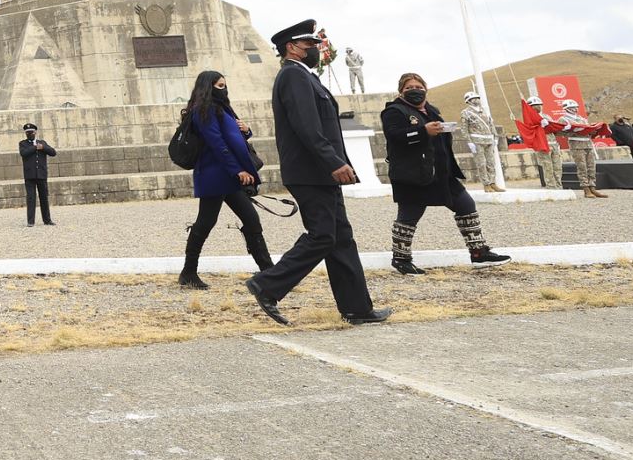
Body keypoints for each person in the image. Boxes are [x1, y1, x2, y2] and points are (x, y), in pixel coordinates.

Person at [243, 21, 388, 327]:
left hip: (321, 172)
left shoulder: (305, 77)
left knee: (341, 239)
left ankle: (357, 308)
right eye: (310, 46)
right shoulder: (293, 77)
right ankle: (267, 285)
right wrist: (334, 162)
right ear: (292, 48)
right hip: (311, 172)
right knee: (323, 235)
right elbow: (307, 128)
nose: (316, 50)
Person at [380, 74, 510, 275]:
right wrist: (423, 131)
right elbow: (395, 136)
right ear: (401, 91)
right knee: (409, 216)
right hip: (412, 174)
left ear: (426, 88)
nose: (415, 90)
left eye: (419, 86)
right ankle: (401, 259)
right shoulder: (393, 111)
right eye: (409, 87)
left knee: (466, 205)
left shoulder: (432, 110)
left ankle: (478, 252)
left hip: (442, 173)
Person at [176, 71, 270, 290]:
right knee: (205, 223)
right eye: (220, 85)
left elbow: (232, 137)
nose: (224, 89)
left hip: (227, 176)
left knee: (251, 219)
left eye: (225, 85)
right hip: (214, 175)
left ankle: (268, 272)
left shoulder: (222, 108)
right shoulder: (203, 111)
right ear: (209, 87)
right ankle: (188, 272)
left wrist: (248, 131)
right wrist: (238, 171)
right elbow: (217, 143)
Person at [556, 99, 608, 198]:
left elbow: (587, 129)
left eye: (576, 107)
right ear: (566, 109)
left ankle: (593, 187)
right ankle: (586, 189)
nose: (575, 109)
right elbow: (558, 132)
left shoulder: (581, 118)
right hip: (576, 145)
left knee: (591, 167)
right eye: (572, 108)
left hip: (587, 143)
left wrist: (592, 131)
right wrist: (573, 131)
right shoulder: (563, 119)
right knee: (582, 167)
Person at [459, 92, 505, 192]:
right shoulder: (466, 112)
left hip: (489, 139)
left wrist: (495, 136)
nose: (476, 100)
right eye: (474, 98)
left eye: (477, 98)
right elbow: (464, 128)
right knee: (481, 163)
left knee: (491, 163)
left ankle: (493, 183)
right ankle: (486, 184)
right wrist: (469, 141)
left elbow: (491, 124)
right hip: (476, 141)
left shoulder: (484, 111)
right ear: (468, 101)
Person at [19, 122, 57, 227]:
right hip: (29, 175)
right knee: (31, 198)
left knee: (44, 198)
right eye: (27, 133)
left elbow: (53, 152)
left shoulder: (42, 143)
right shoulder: (23, 143)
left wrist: (43, 148)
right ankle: (30, 221)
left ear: (35, 132)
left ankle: (47, 220)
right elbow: (24, 153)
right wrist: (35, 147)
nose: (29, 134)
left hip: (41, 175)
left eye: (31, 132)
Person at [528, 95, 565, 186]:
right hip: (543, 144)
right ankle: (551, 186)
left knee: (557, 167)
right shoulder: (529, 118)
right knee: (548, 167)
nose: (538, 107)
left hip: (553, 144)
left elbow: (553, 128)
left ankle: (558, 185)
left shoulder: (546, 116)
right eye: (535, 105)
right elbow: (531, 129)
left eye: (539, 105)